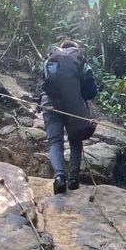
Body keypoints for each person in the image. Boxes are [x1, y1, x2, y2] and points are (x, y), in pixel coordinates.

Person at [41, 39, 98, 194]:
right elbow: (91, 91)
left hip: (50, 103)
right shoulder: (82, 62)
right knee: (75, 139)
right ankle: (73, 178)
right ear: (75, 50)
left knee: (55, 141)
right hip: (74, 104)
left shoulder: (50, 59)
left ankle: (59, 177)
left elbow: (44, 83)